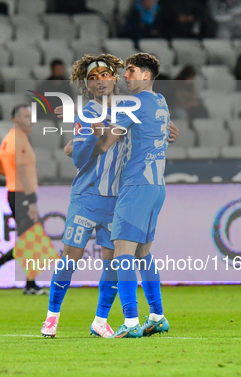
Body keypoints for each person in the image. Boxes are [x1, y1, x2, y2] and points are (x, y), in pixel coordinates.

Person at [41, 55, 179, 339]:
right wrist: (89, 137)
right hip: (88, 197)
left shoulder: (128, 106)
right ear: (88, 87)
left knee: (115, 264)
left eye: (105, 74)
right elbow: (78, 157)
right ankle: (52, 317)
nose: (99, 80)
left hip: (118, 198)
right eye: (92, 78)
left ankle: (100, 320)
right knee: (70, 260)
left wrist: (165, 130)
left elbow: (146, 125)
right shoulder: (87, 113)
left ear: (114, 79)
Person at [105, 53, 171, 338]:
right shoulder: (160, 101)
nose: (126, 76)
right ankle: (156, 316)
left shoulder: (133, 104)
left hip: (136, 185)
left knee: (122, 254)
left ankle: (131, 322)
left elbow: (109, 138)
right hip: (156, 186)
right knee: (143, 254)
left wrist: (80, 137)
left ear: (146, 75)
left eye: (131, 71)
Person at [0, 105, 46, 295]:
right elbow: (22, 171)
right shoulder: (19, 140)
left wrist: (10, 176)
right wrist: (31, 199)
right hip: (22, 195)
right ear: (16, 119)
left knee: (30, 238)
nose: (30, 120)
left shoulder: (9, 139)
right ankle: (28, 283)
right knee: (33, 238)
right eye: (26, 116)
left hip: (15, 193)